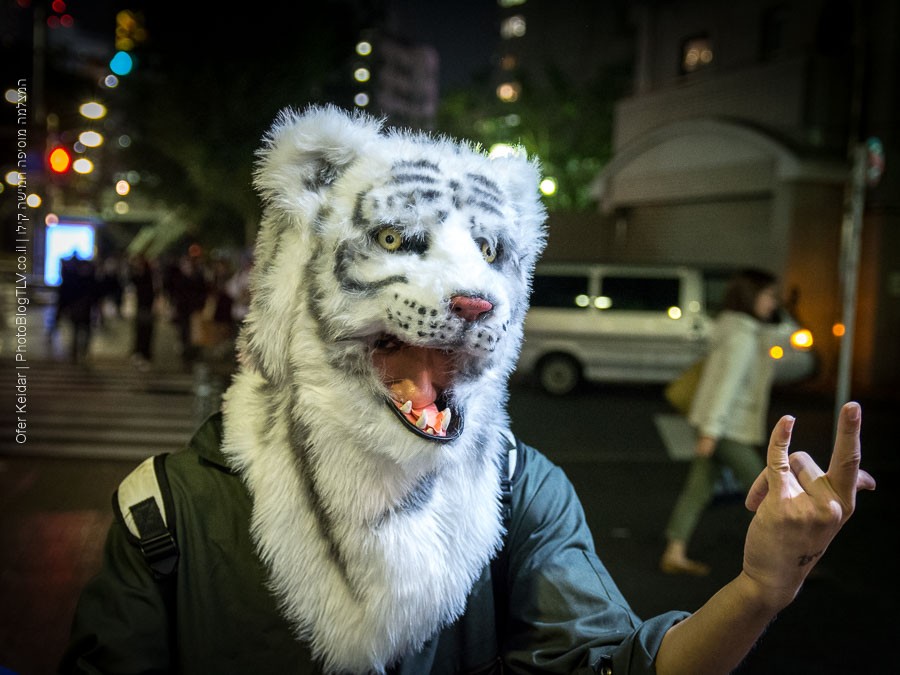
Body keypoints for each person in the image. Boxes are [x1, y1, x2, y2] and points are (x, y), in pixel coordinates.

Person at [60, 105, 875, 675]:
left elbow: (616, 665)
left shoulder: (525, 492)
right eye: (392, 236)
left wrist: (759, 590)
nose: (472, 291)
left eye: (489, 247)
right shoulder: (164, 516)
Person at [660, 268, 784, 576]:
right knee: (768, 489)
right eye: (768, 295)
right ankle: (785, 561)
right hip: (728, 429)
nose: (773, 302)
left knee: (699, 488)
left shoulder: (735, 329)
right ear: (750, 296)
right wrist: (712, 431)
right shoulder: (741, 336)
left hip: (719, 426)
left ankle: (674, 552)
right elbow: (724, 386)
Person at [129, 254, 158, 370]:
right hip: (142, 308)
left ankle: (144, 354)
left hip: (147, 308)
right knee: (141, 331)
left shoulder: (148, 277)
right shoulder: (141, 277)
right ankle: (140, 353)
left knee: (145, 332)